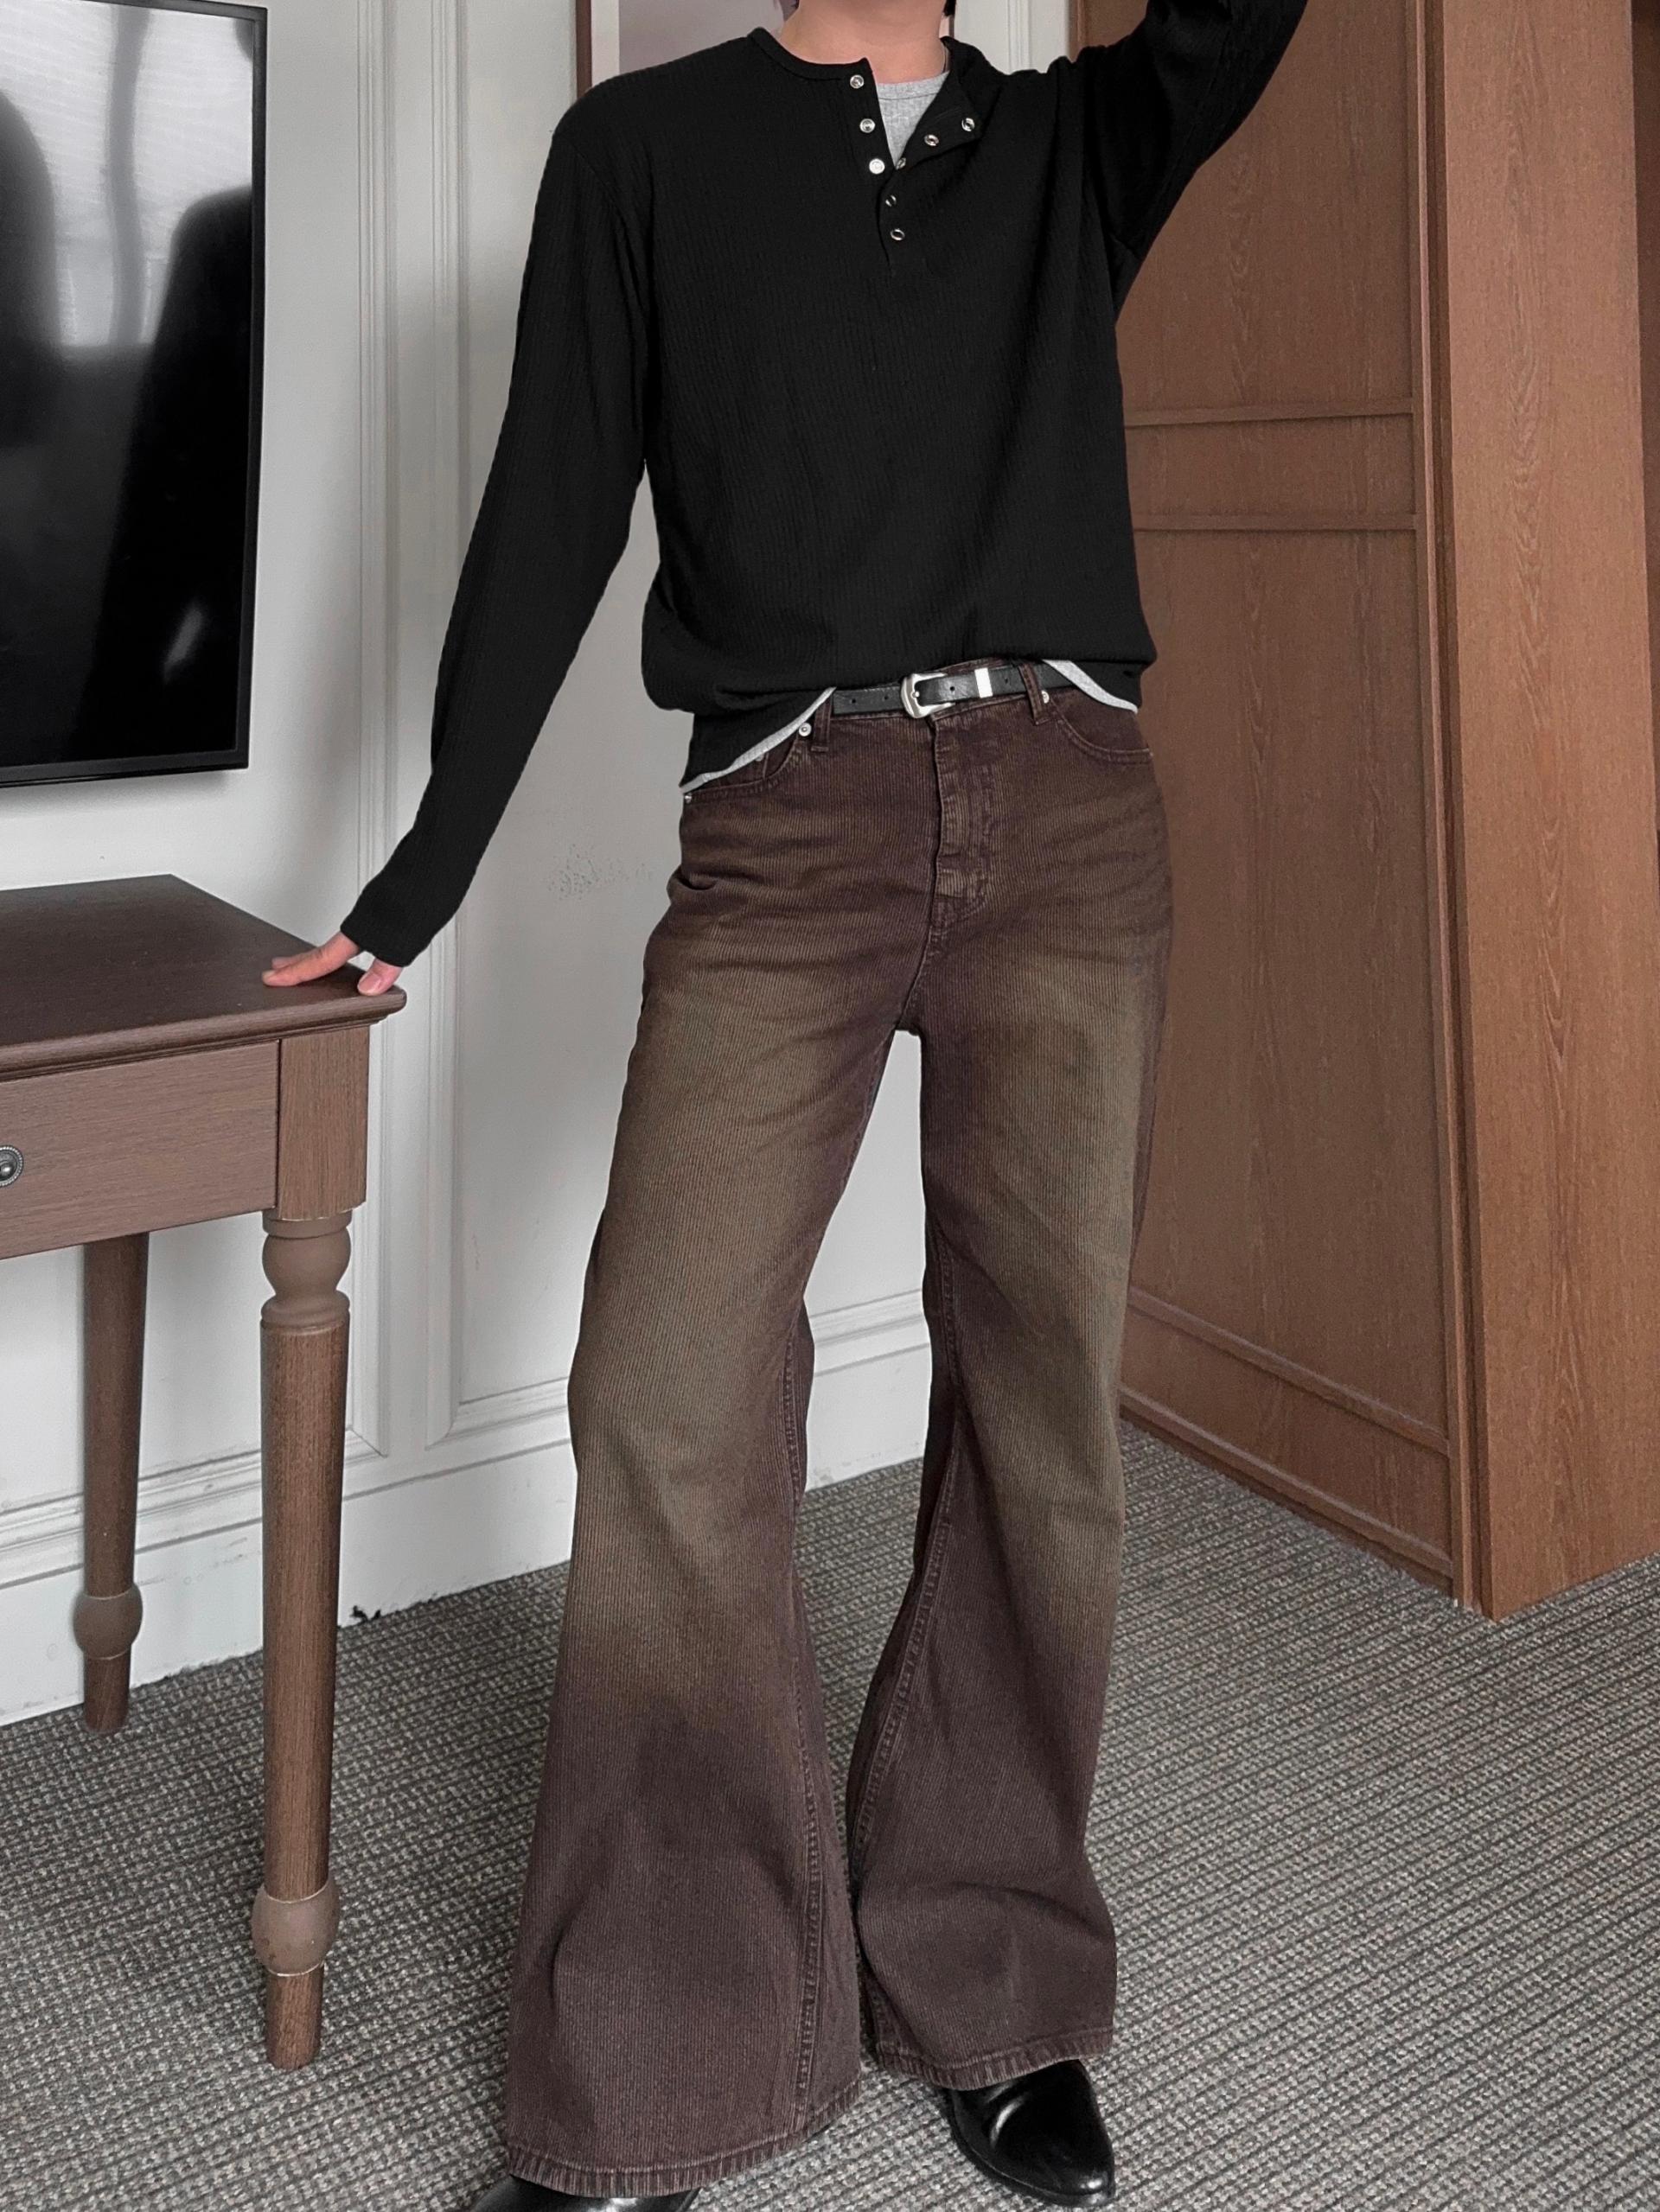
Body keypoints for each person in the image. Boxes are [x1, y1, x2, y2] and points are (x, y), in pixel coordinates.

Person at [264, 3, 1307, 2205]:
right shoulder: (640, 153)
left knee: (1043, 1403)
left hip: (1071, 814)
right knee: (666, 1393)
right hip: (786, 822)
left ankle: (990, 1979)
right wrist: (416, 883)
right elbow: (552, 503)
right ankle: (670, 2057)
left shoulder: (1076, 143)